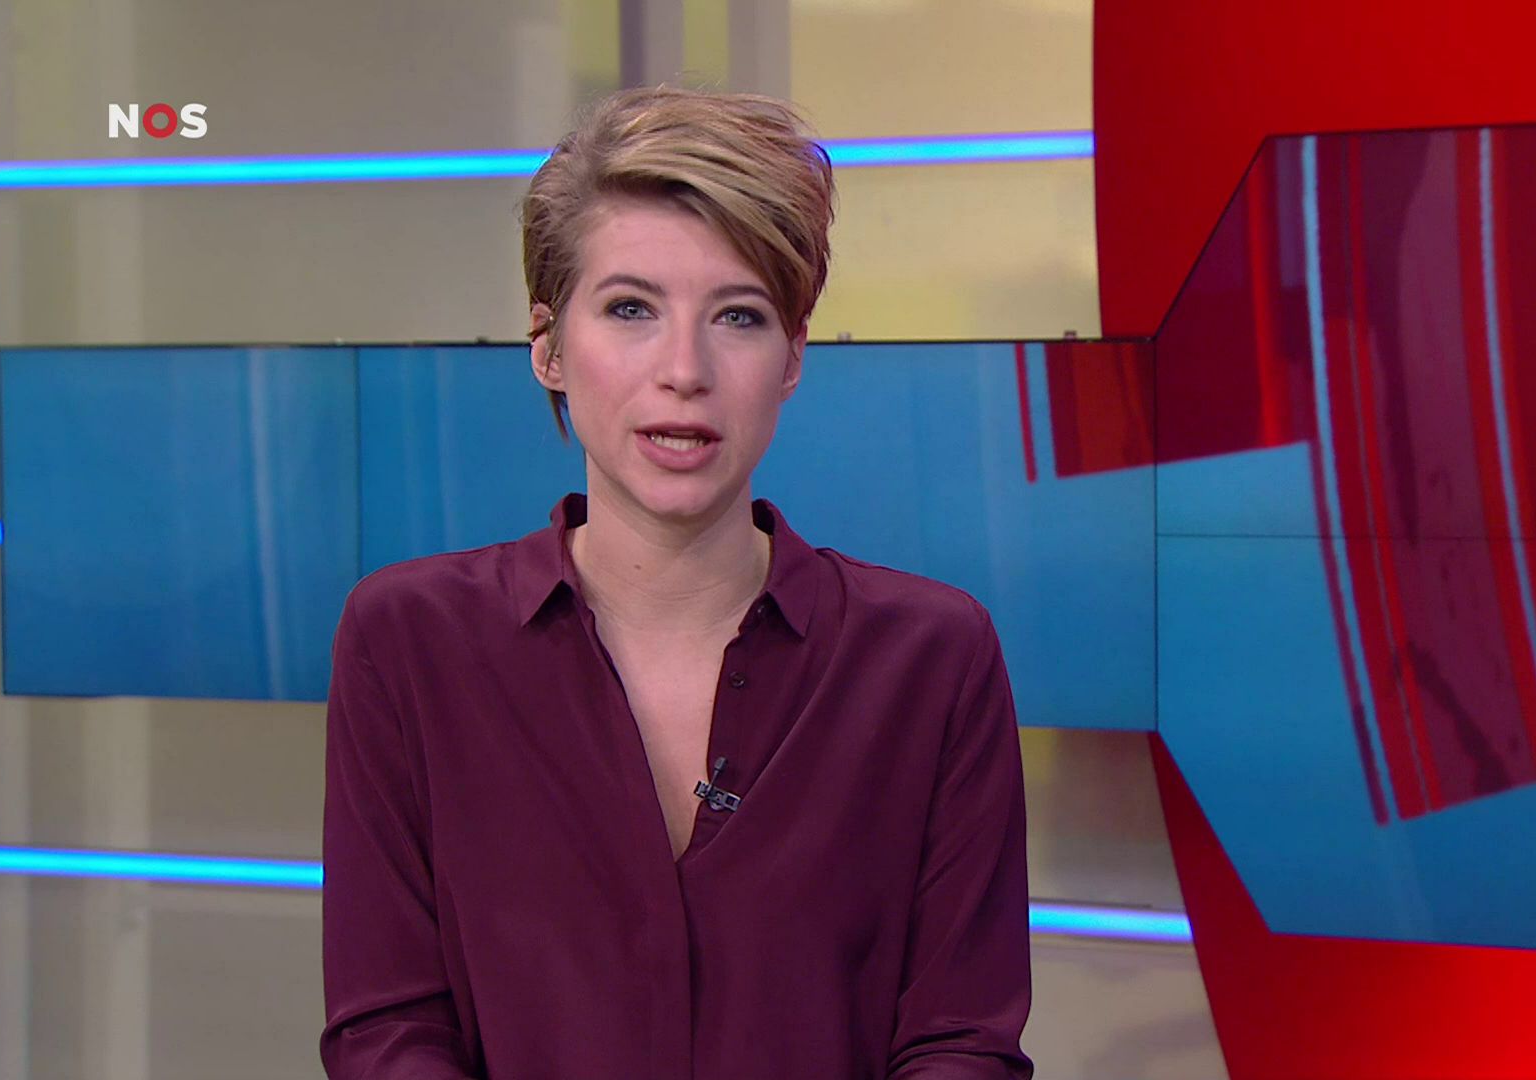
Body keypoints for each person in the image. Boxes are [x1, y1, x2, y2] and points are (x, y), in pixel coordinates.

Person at [319, 85, 1034, 1079]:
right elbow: (387, 1031)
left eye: (738, 316)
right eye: (631, 309)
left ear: (792, 357)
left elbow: (962, 1042)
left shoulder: (931, 658)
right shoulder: (409, 640)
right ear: (548, 347)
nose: (685, 369)